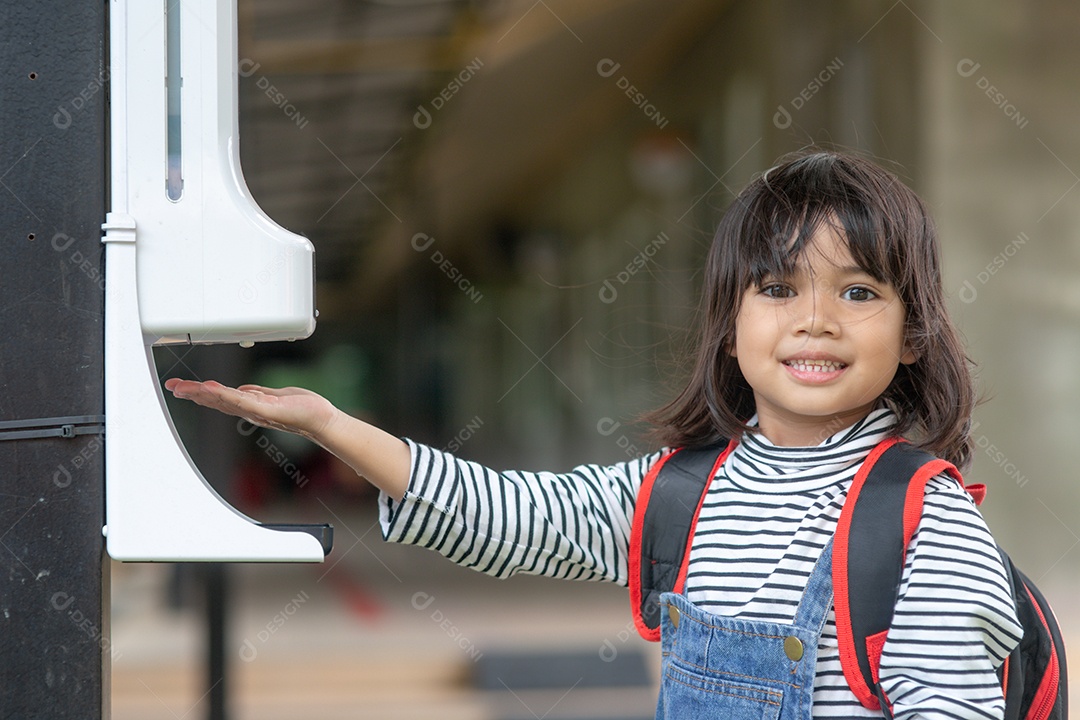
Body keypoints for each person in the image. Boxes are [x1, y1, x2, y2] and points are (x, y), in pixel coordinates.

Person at [166, 150, 1022, 719]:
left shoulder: (924, 521)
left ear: (913, 333)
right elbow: (516, 519)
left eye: (859, 292)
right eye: (777, 289)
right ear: (728, 325)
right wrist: (332, 426)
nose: (816, 321)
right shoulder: (679, 490)